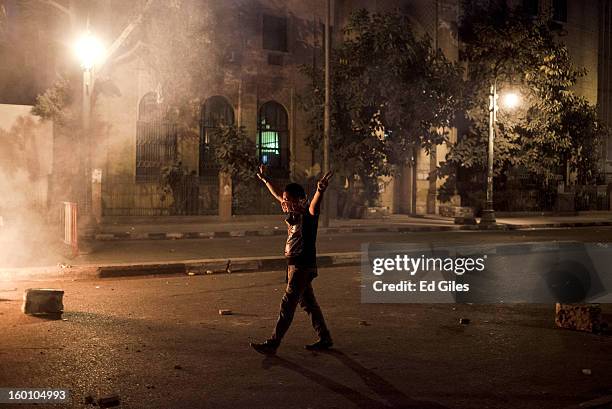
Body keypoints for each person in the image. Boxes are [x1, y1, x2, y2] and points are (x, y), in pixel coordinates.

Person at [250, 165, 334, 355]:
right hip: (294, 266)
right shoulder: (293, 212)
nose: (284, 203)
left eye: (289, 200)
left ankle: (273, 342)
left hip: (302, 266)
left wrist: (320, 190)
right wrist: (266, 180)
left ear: (300, 200)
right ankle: (325, 337)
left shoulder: (308, 215)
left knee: (288, 303)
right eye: (285, 200)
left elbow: (314, 206)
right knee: (308, 303)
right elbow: (279, 195)